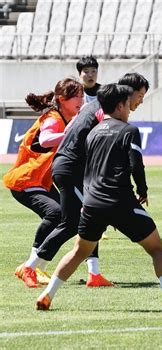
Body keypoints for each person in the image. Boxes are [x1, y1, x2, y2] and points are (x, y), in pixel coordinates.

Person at [36, 83, 162, 312]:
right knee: (157, 249)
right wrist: (143, 190)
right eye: (128, 104)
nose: (130, 108)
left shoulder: (92, 133)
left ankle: (47, 295)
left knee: (79, 252)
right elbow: (136, 164)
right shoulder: (129, 130)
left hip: (92, 202)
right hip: (121, 201)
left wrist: (86, 201)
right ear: (120, 106)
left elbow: (87, 170)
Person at [17, 73, 149, 288]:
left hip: (75, 168)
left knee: (92, 217)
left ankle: (94, 274)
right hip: (71, 169)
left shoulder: (102, 102)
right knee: (71, 224)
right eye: (140, 95)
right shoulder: (109, 109)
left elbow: (76, 133)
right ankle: (29, 267)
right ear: (128, 93)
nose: (141, 101)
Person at [3, 78, 84, 288]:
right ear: (61, 99)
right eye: (76, 96)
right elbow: (47, 139)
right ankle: (30, 268)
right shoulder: (54, 118)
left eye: (82, 95)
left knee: (70, 219)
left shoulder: (67, 119)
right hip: (26, 180)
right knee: (57, 214)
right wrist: (70, 134)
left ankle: (34, 267)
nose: (81, 100)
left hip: (41, 183)